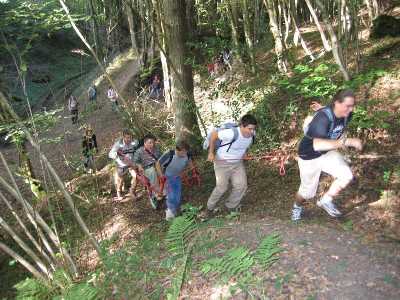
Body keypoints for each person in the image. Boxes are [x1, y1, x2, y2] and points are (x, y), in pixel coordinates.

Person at [292, 89, 363, 221]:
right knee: (307, 192)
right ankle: (297, 207)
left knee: (346, 175)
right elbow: (317, 145)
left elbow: (337, 122)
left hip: (326, 152)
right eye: (348, 106)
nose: (351, 109)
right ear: (337, 103)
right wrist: (348, 142)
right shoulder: (322, 118)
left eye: (352, 106)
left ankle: (326, 200)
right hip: (309, 155)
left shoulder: (347, 114)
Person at [203, 114, 257, 217]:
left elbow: (244, 145)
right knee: (221, 188)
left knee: (241, 186)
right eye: (249, 129)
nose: (251, 131)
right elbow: (214, 135)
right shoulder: (231, 133)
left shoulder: (252, 134)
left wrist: (245, 153)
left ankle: (230, 207)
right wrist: (211, 153)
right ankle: (209, 208)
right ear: (242, 126)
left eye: (253, 129)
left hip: (237, 163)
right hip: (222, 162)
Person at [156, 140, 194, 220]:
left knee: (177, 196)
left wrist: (192, 169)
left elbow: (189, 161)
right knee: (171, 196)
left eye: (186, 152)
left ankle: (175, 212)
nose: (185, 154)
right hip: (167, 178)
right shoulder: (169, 154)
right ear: (177, 150)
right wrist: (161, 175)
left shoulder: (187, 154)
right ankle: (169, 215)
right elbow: (157, 163)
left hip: (177, 178)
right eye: (183, 152)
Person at [109, 129, 139, 200]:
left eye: (130, 137)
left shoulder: (135, 142)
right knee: (121, 180)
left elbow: (138, 149)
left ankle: (132, 191)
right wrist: (116, 155)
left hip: (131, 163)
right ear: (123, 137)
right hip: (121, 165)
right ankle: (119, 193)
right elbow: (110, 154)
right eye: (127, 138)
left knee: (136, 176)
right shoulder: (118, 144)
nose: (129, 139)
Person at [133, 134, 162, 209]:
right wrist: (139, 166)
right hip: (146, 169)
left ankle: (166, 188)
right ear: (144, 143)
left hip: (157, 166)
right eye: (150, 143)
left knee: (163, 167)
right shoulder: (139, 151)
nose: (152, 145)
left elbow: (161, 158)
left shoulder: (156, 149)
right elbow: (135, 162)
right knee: (152, 171)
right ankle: (157, 193)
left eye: (153, 143)